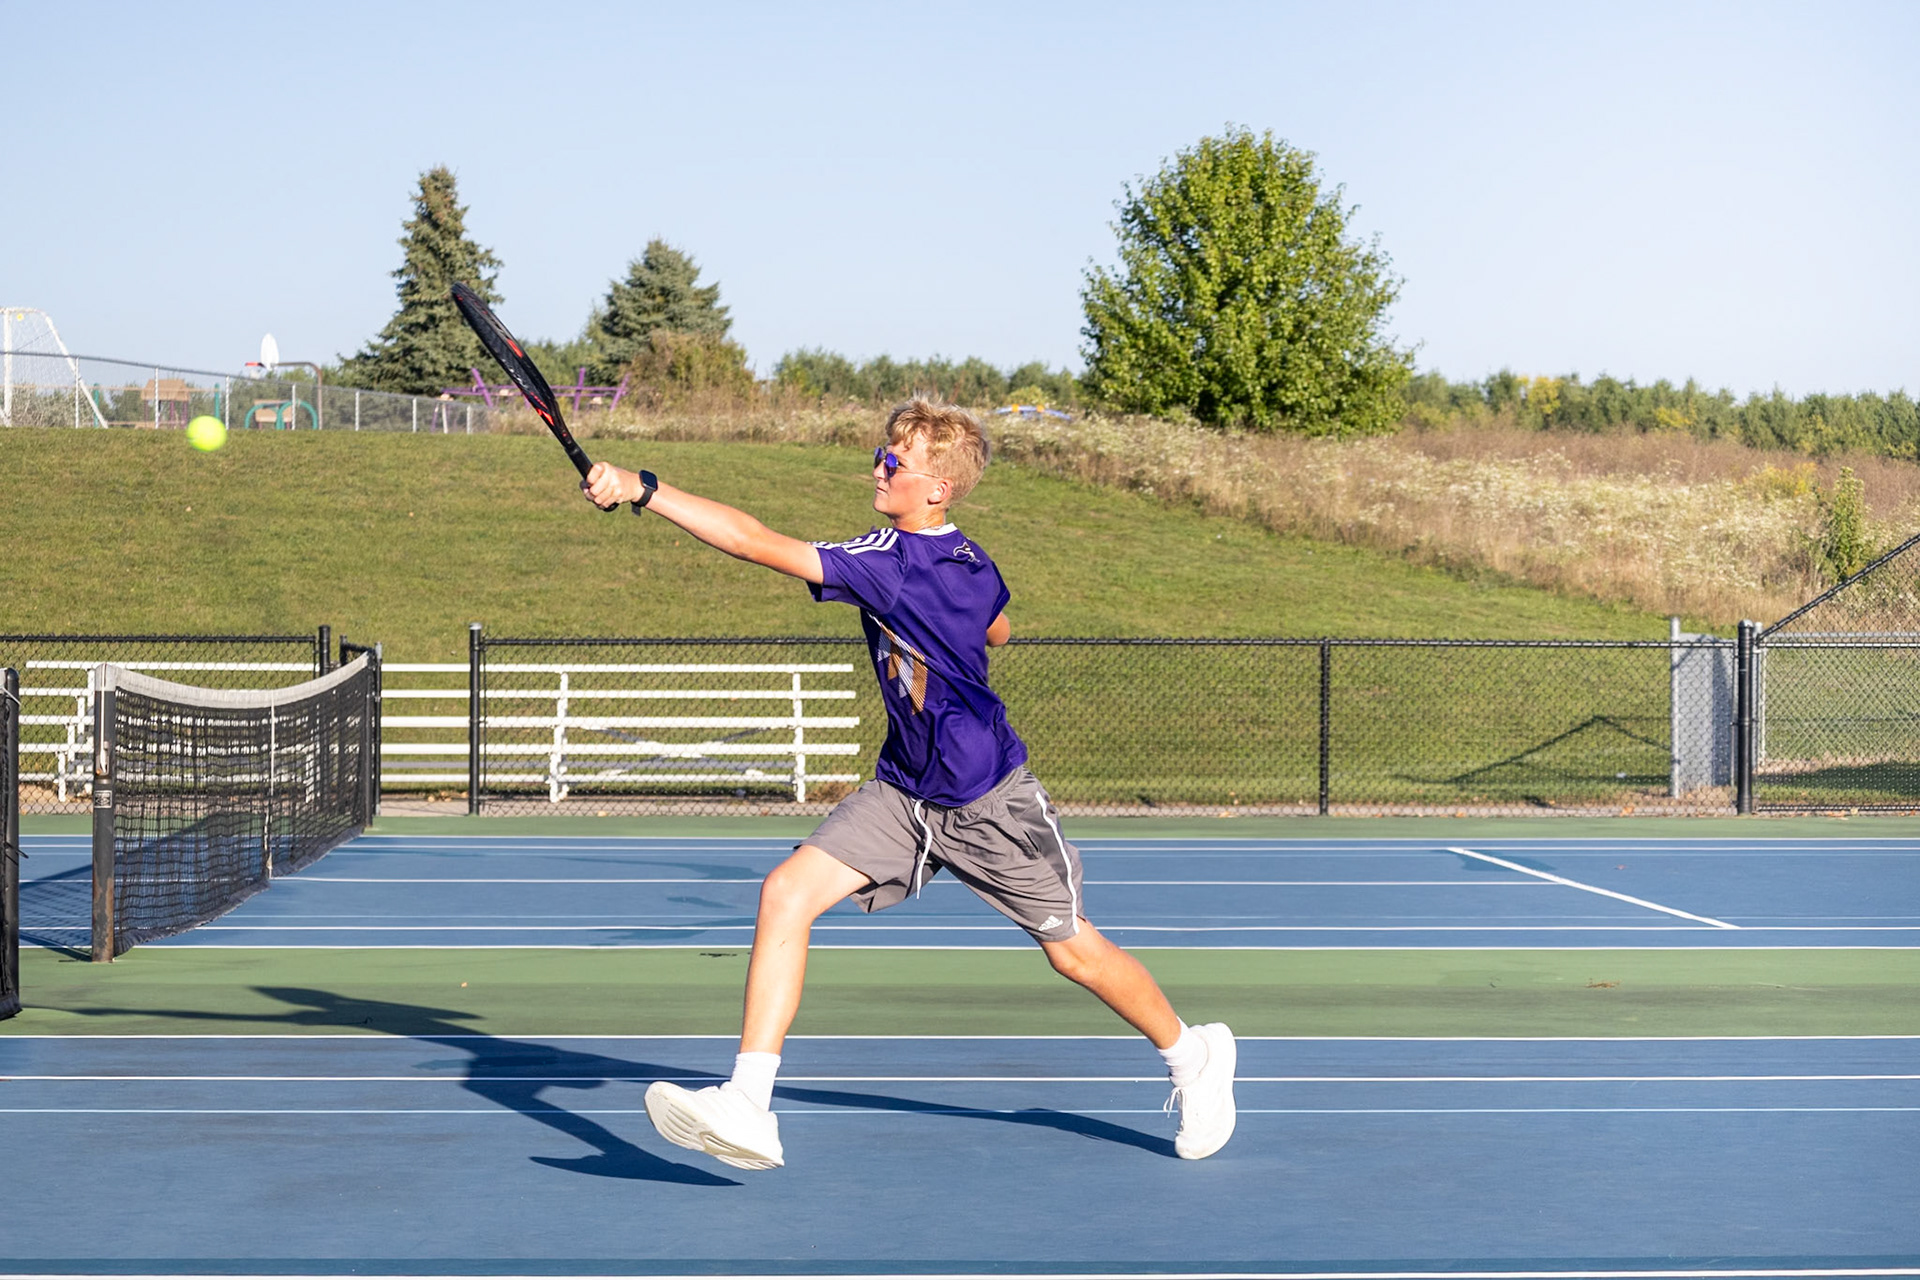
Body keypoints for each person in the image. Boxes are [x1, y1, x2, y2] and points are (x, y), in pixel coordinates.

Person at [582, 398, 1236, 1171]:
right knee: (786, 891)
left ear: (938, 489)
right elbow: (998, 627)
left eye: (895, 462)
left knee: (1074, 953)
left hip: (988, 800)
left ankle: (1193, 1056)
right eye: (881, 454)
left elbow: (755, 542)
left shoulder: (893, 563)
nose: (878, 468)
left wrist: (643, 486)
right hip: (903, 792)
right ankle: (748, 1104)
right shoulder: (969, 559)